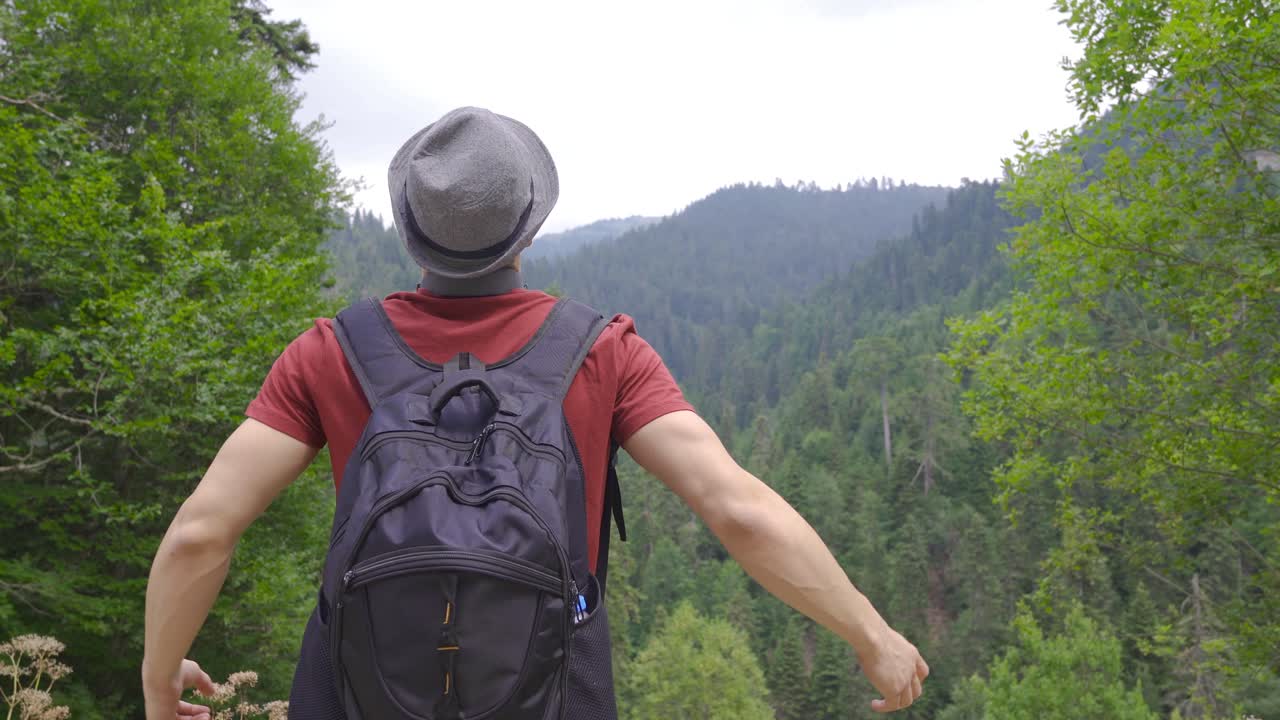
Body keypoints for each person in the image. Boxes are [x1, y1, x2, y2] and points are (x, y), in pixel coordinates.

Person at [142, 106, 929, 720]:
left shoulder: (330, 352)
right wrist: (871, 632)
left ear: (412, 230)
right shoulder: (602, 351)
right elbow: (740, 511)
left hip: (355, 682)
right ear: (529, 225)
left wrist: (156, 681)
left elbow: (202, 531)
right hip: (555, 684)